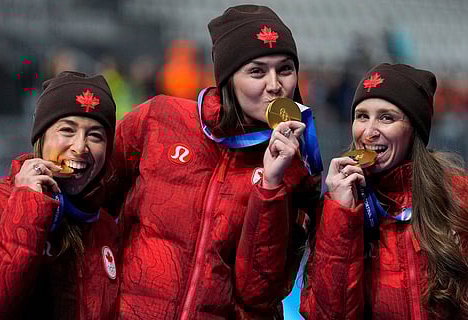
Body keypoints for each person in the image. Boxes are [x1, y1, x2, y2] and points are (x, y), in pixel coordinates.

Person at [105, 5, 321, 319]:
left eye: (285, 69)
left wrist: (271, 186)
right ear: (227, 78)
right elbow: (91, 201)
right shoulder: (158, 119)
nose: (275, 84)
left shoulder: (295, 165)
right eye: (257, 71)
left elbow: (260, 294)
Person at [300, 63, 468, 319]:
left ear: (414, 128)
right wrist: (341, 215)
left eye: (386, 117)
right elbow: (328, 314)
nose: (369, 132)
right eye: (362, 116)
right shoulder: (337, 206)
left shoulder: (457, 195)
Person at [0, 71, 120, 319]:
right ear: (41, 136)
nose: (80, 147)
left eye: (95, 135)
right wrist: (27, 204)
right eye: (67, 130)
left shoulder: (105, 227)